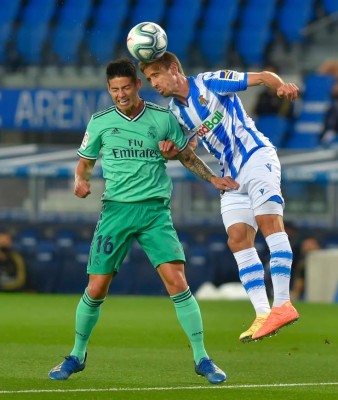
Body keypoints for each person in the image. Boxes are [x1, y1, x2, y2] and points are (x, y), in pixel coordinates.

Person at [48, 58, 239, 383]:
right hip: (116, 211)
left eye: (125, 87)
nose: (120, 94)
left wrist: (213, 179)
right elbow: (85, 163)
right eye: (114, 89)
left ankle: (202, 358)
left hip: (154, 212)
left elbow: (185, 154)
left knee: (177, 281)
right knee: (96, 287)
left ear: (137, 85)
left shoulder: (163, 118)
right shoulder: (100, 122)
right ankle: (76, 355)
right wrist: (80, 181)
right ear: (109, 90)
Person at [140, 52, 300, 342]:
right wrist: (174, 153)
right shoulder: (175, 114)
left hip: (255, 156)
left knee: (269, 223)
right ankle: (263, 314)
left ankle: (283, 303)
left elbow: (263, 76)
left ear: (173, 69)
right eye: (149, 79)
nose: (153, 84)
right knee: (237, 238)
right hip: (230, 174)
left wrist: (279, 85)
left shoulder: (211, 82)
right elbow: (186, 152)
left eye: (155, 75)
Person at [290, 236, 321, 301]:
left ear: (318, 247)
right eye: (305, 245)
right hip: (307, 295)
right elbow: (299, 281)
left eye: (311, 244)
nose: (308, 247)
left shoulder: (326, 261)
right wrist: (295, 293)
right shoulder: (302, 262)